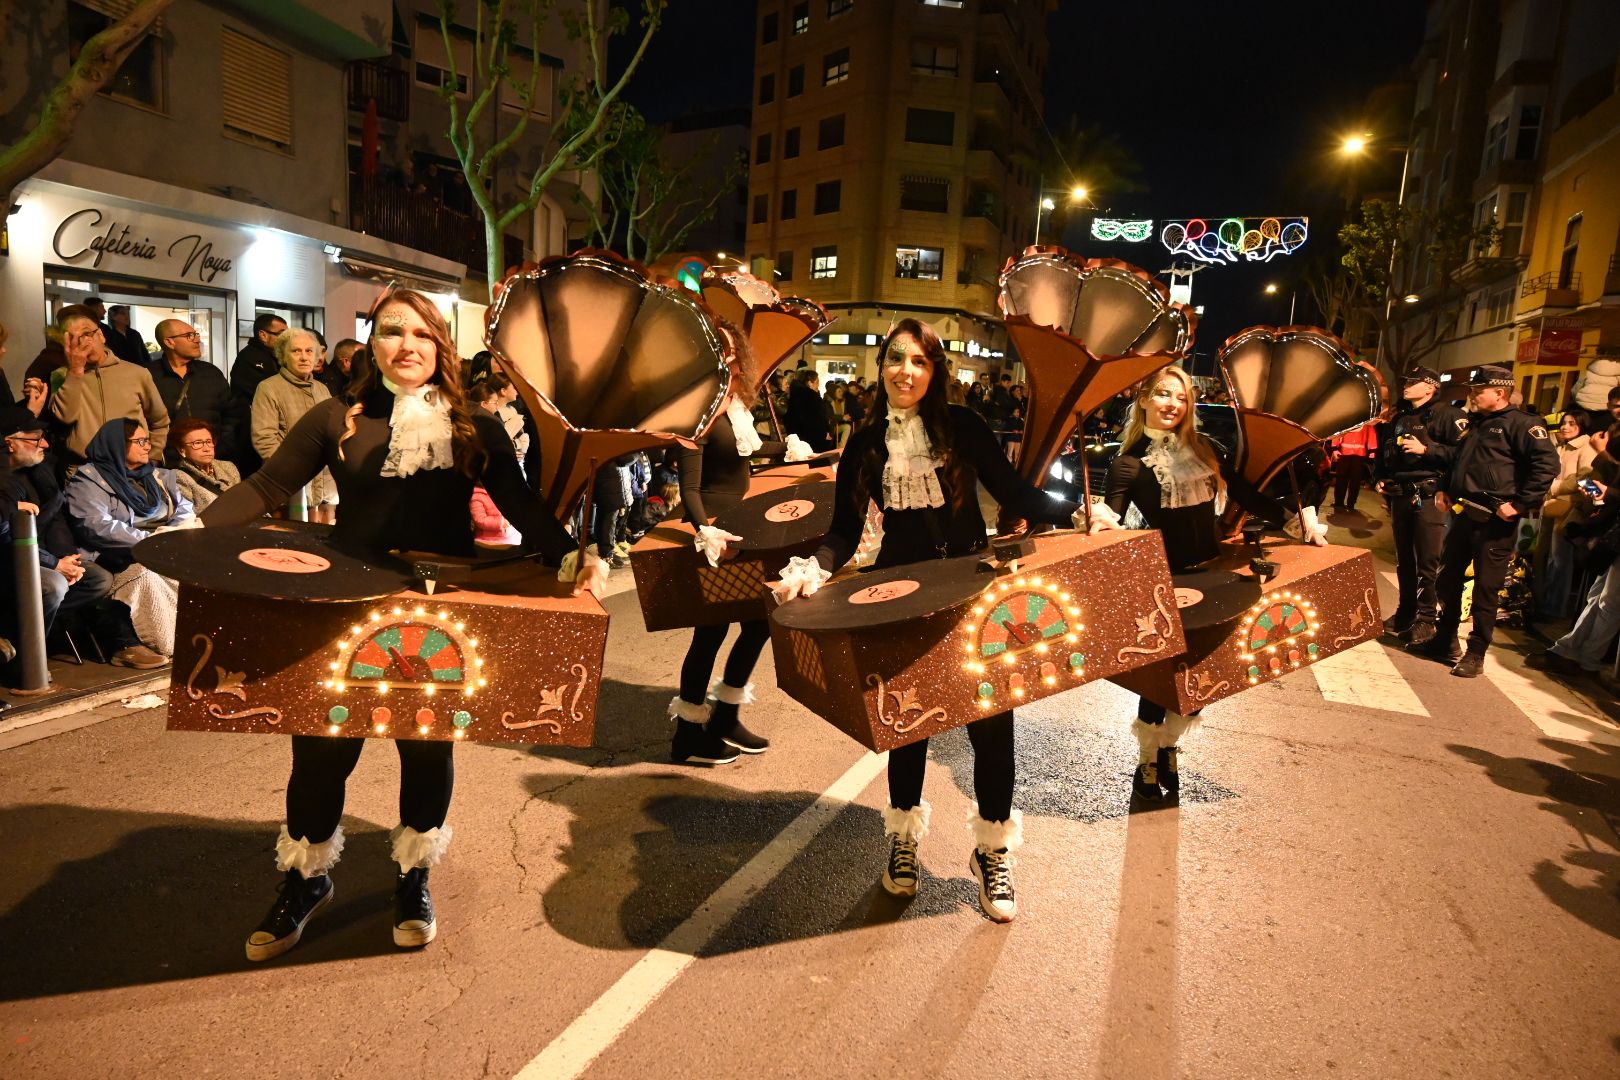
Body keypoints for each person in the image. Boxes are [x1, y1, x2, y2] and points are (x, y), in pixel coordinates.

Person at [202, 289, 603, 962]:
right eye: (392, 332)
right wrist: (191, 535)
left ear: (440, 344)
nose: (406, 345)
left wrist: (566, 551)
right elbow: (267, 487)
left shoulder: (477, 421)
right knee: (322, 751)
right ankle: (306, 880)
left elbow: (519, 502)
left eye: (421, 333)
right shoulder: (337, 417)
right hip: (348, 602)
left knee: (424, 747)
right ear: (372, 341)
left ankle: (413, 876)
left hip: (437, 605)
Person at [772, 319, 1079, 922]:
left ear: (934, 371)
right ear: (881, 366)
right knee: (907, 723)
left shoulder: (962, 428)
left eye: (917, 361)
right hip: (896, 594)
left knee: (992, 725)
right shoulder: (864, 442)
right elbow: (843, 530)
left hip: (970, 589)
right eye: (894, 359)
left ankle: (992, 851)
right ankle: (903, 841)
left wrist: (1078, 510)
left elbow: (1014, 493)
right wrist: (814, 568)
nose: (903, 371)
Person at [1089, 366, 1328, 802]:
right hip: (1166, 578)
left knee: (1204, 669)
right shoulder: (1127, 463)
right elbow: (1111, 519)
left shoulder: (1206, 451)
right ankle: (1148, 755)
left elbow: (1248, 495)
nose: (1171, 404)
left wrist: (1296, 519)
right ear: (1143, 400)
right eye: (1162, 394)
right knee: (1161, 675)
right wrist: (1098, 520)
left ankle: (1170, 745)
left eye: (1180, 397)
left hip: (1213, 574)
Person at [668, 331, 811, 765]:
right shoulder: (697, 413)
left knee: (757, 624)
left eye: (734, 358)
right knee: (709, 633)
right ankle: (689, 735)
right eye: (722, 357)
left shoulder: (734, 410)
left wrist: (784, 447)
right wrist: (705, 530)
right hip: (717, 536)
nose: (732, 366)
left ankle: (726, 715)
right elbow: (689, 487)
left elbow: (744, 455)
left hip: (745, 530)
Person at [1409, 365, 1559, 677]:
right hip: (1464, 513)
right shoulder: (1476, 424)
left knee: (1486, 590)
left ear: (1500, 393)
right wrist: (1444, 489)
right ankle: (1445, 640)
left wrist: (1518, 505)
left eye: (1479, 391)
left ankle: (1476, 653)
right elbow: (1457, 462)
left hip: (1495, 521)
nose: (1472, 395)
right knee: (1447, 581)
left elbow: (1546, 467)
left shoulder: (1523, 425)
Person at [0, 409, 165, 672]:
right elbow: (9, 536)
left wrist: (68, 558)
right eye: (35, 439)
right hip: (13, 559)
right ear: (10, 443)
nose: (44, 444)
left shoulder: (39, 471)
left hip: (45, 554)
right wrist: (55, 564)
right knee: (53, 585)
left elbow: (56, 520)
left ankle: (22, 633)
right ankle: (23, 654)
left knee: (96, 579)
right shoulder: (10, 482)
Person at [65, 419, 195, 657]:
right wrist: (150, 541)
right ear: (117, 445)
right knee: (147, 575)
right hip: (117, 555)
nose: (148, 446)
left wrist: (172, 536)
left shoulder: (156, 476)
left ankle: (197, 637)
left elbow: (184, 509)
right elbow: (95, 526)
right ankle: (156, 643)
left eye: (148, 440)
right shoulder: (88, 479)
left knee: (201, 568)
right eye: (140, 441)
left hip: (164, 546)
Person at [1373, 367, 1471, 644]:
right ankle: (1406, 613)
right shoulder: (1401, 417)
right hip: (1401, 495)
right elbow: (1385, 452)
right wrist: (1380, 477)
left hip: (1430, 496)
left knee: (1428, 562)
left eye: (1413, 382)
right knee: (1405, 561)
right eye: (1406, 380)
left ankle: (1426, 620)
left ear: (1430, 387)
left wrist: (1427, 450)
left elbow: (1463, 454)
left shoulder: (1450, 416)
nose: (1407, 386)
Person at [47, 305, 171, 464]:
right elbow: (65, 417)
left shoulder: (136, 373)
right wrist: (76, 371)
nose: (82, 342)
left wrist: (152, 457)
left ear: (101, 335)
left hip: (132, 469)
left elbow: (160, 421)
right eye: (72, 338)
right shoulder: (60, 375)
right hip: (85, 470)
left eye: (86, 333)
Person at [251, 328, 336, 520]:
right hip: (289, 486)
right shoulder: (269, 388)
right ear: (283, 355)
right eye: (296, 351)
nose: (304, 357)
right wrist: (294, 470)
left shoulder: (322, 389)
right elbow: (264, 439)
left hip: (325, 485)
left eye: (309, 351)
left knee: (324, 541)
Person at [1536, 409, 1599, 620]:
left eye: (1572, 423)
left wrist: (1555, 487)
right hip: (1552, 505)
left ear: (1582, 426)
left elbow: (1587, 480)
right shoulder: (1561, 445)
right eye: (1564, 423)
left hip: (1568, 507)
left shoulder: (1587, 447)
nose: (1566, 427)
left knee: (1559, 560)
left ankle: (1554, 608)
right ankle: (1541, 602)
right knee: (1544, 556)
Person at [150, 319, 237, 462]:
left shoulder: (211, 372)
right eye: (189, 336)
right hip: (169, 463)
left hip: (214, 459)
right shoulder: (149, 375)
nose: (197, 340)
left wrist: (222, 447)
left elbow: (233, 413)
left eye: (196, 334)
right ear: (169, 342)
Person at [228, 313, 289, 470]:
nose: (287, 339)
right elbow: (264, 394)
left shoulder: (278, 358)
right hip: (250, 429)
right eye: (282, 334)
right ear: (263, 335)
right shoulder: (249, 359)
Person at [167, 418, 241, 513]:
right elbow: (189, 517)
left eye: (209, 442)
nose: (206, 448)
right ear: (182, 450)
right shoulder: (178, 477)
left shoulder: (229, 467)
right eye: (197, 443)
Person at [1329, 423, 1378, 511]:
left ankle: (1350, 504)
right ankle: (1339, 502)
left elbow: (1371, 435)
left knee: (1355, 481)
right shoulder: (1347, 421)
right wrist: (1335, 449)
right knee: (1341, 480)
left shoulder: (1367, 424)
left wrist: (1372, 451)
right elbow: (1338, 433)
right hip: (1344, 455)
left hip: (1358, 456)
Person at [785, 369, 832, 451]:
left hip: (796, 437)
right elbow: (818, 418)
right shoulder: (812, 397)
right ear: (810, 383)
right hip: (814, 438)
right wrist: (824, 433)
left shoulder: (793, 395)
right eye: (817, 382)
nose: (818, 385)